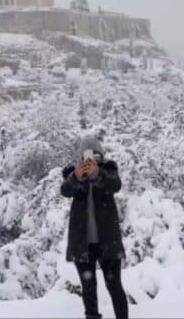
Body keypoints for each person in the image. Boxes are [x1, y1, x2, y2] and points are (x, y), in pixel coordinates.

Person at [60, 136, 127, 319]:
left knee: (114, 285)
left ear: (102, 154)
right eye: (88, 154)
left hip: (108, 241)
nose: (92, 159)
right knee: (88, 287)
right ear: (80, 156)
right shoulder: (72, 172)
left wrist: (98, 173)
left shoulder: (109, 169)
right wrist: (77, 177)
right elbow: (65, 190)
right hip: (82, 243)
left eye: (96, 154)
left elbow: (115, 185)